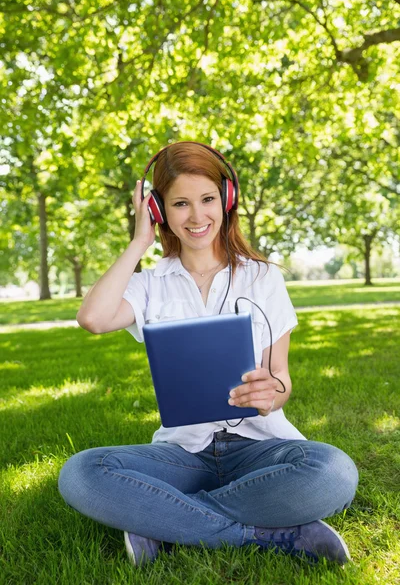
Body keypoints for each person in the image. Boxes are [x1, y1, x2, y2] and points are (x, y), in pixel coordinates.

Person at [58, 142, 358, 567]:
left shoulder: (263, 278)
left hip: (260, 448)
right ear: (159, 211)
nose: (197, 217)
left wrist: (272, 392)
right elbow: (92, 318)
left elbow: (282, 378)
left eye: (207, 199)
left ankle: (165, 518)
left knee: (334, 471)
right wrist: (140, 240)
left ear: (227, 199)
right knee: (83, 474)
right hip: (183, 454)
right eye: (180, 203)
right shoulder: (150, 284)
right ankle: (265, 532)